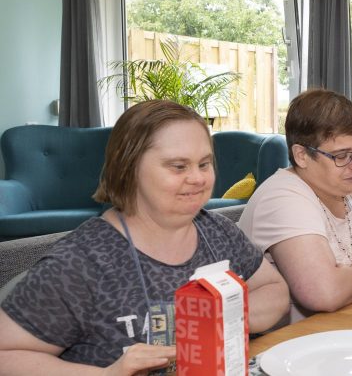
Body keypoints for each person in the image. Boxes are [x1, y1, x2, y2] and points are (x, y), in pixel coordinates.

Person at [0, 100, 290, 375]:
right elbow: (7, 356)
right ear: (129, 168)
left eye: (204, 164)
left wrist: (223, 318)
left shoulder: (218, 231)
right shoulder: (80, 263)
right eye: (178, 166)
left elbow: (274, 290)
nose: (199, 178)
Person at [239, 89, 352, 324]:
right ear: (302, 155)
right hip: (289, 345)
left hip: (350, 328)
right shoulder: (282, 197)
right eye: (342, 155)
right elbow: (324, 294)